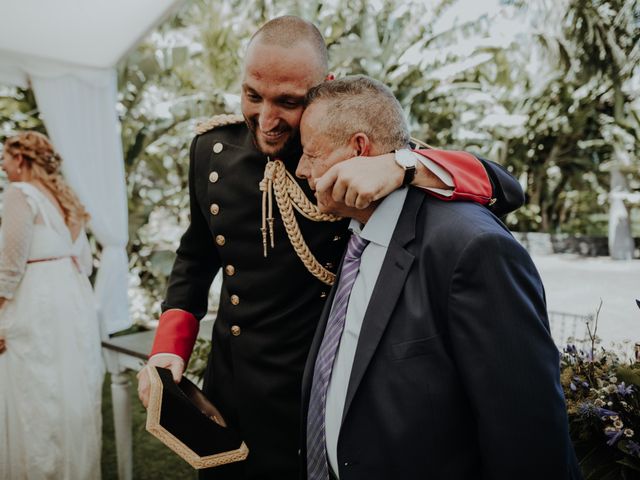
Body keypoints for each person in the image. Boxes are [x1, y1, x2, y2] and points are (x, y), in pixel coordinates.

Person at [136, 16, 525, 480]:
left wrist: (404, 166)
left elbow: (504, 188)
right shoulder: (210, 150)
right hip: (235, 389)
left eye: (289, 102)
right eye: (252, 95)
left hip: (318, 393)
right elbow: (195, 258)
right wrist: (168, 350)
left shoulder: (365, 153)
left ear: (325, 89)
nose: (266, 119)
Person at [297, 75, 583, 480]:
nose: (301, 168)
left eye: (310, 153)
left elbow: (529, 432)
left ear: (360, 150)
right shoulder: (355, 227)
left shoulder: (471, 247)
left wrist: (403, 163)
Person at [0, 131, 104, 479]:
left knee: (35, 392)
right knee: (67, 390)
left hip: (36, 299)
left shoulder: (20, 193)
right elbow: (84, 262)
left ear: (21, 159)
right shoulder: (64, 196)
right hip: (70, 297)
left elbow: (11, 264)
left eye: (5, 155)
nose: (1, 162)